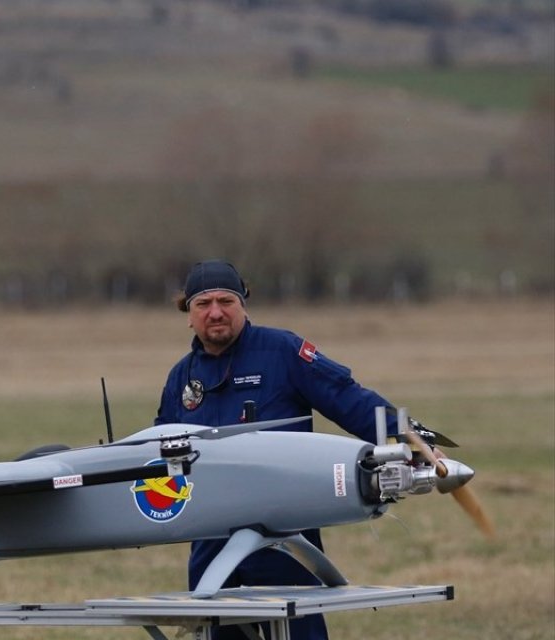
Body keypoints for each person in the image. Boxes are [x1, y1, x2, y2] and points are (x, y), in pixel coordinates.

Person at [154, 259, 440, 640]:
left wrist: (407, 436)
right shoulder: (181, 377)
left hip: (284, 535)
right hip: (211, 542)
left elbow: (346, 398)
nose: (216, 312)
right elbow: (159, 450)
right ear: (188, 314)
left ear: (244, 304)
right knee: (216, 631)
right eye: (203, 304)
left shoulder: (283, 352)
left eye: (226, 301)